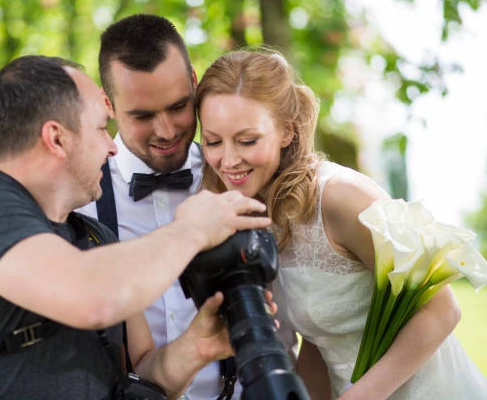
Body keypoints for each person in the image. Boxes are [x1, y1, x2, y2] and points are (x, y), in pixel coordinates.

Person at [0, 54, 274, 400]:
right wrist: (191, 230)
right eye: (102, 128)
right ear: (56, 138)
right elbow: (92, 298)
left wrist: (196, 347)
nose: (111, 148)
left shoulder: (97, 239)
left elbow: (142, 377)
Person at [195, 49, 487, 399]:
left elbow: (442, 310)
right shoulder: (260, 212)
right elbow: (320, 338)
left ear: (287, 131)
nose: (227, 160)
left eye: (247, 140)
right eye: (213, 141)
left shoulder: (340, 198)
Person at [78, 14, 296, 399]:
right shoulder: (82, 208)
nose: (166, 130)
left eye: (179, 106)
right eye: (142, 116)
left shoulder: (239, 174)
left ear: (195, 83)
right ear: (108, 104)